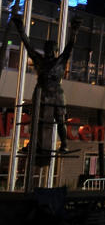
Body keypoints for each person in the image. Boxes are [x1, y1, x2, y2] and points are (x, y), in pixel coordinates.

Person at [11, 16, 81, 154]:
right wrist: (20, 30)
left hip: (56, 94)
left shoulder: (60, 61)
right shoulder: (39, 60)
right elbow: (28, 45)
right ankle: (32, 144)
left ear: (55, 51)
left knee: (60, 120)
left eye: (50, 49)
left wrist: (74, 31)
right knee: (36, 120)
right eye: (46, 49)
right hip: (42, 93)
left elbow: (69, 47)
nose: (48, 51)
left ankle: (64, 145)